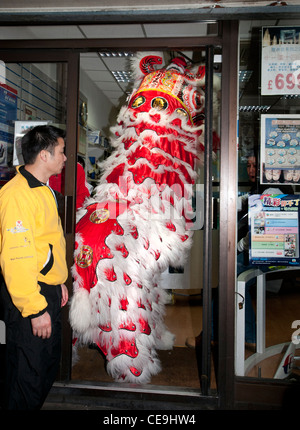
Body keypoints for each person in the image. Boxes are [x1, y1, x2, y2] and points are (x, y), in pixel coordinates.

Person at [0, 125, 69, 410]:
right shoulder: (17, 194)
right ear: (44, 155)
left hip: (46, 289)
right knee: (29, 376)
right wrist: (35, 308)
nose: (66, 158)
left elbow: (45, 244)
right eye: (62, 152)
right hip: (30, 297)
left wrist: (58, 281)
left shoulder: (42, 189)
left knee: (44, 368)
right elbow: (16, 257)